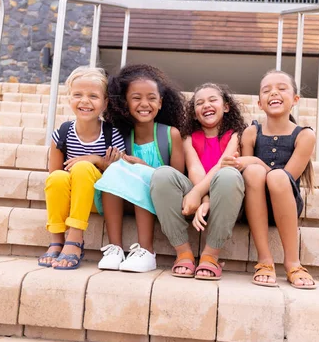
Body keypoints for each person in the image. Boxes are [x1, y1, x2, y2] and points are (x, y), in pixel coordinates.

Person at [226, 70, 316, 289]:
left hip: (285, 203)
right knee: (253, 173)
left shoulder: (304, 135)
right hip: (254, 206)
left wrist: (255, 161)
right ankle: (265, 260)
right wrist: (251, 163)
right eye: (266, 90)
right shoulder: (251, 132)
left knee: (275, 176)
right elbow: (247, 171)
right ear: (259, 103)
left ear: (295, 99)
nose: (273, 93)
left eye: (282, 88)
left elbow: (287, 179)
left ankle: (293, 262)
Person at [95, 64, 185, 273]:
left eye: (151, 98)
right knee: (114, 172)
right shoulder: (120, 136)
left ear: (161, 103)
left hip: (162, 201)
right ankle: (115, 248)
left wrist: (146, 169)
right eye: (136, 98)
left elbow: (177, 178)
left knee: (140, 173)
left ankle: (147, 251)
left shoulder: (170, 135)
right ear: (125, 103)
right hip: (125, 201)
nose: (144, 104)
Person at [151, 82, 246, 280]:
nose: (206, 105)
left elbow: (223, 165)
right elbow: (194, 168)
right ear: (194, 113)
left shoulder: (235, 134)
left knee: (228, 175)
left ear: (226, 106)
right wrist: (203, 199)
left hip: (225, 197)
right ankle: (183, 252)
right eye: (199, 103)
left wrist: (199, 195)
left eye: (213, 100)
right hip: (198, 191)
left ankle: (210, 255)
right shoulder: (188, 138)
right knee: (162, 175)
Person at [38, 66, 125, 270]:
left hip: (97, 199)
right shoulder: (63, 132)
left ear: (105, 103)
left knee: (83, 168)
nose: (85, 101)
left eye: (93, 96)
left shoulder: (112, 135)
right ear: (69, 99)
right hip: (71, 198)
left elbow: (119, 175)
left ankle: (75, 239)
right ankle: (57, 240)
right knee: (58, 177)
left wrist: (96, 160)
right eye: (78, 94)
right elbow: (55, 176)